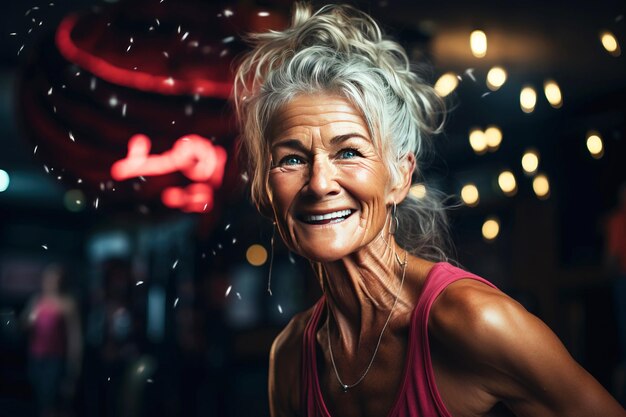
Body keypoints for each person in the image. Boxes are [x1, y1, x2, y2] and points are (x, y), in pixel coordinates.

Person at [233, 3, 626, 416]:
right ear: (264, 188)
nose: (319, 182)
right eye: (292, 159)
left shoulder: (474, 322)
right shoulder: (292, 357)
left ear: (399, 178)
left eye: (349, 152)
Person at [22, 264, 82, 417]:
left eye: (56, 278)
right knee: (39, 398)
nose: (52, 281)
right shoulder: (37, 301)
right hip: (36, 357)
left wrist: (74, 364)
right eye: (49, 278)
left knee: (51, 399)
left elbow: (75, 337)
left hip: (55, 359)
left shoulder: (68, 304)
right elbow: (25, 325)